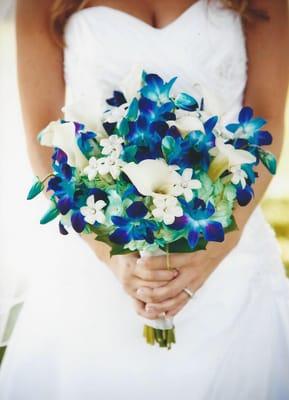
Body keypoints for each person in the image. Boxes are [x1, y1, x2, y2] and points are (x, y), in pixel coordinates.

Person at [0, 0, 288, 398]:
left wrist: (220, 243)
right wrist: (112, 256)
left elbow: (268, 116)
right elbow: (45, 140)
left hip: (228, 254)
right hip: (97, 255)